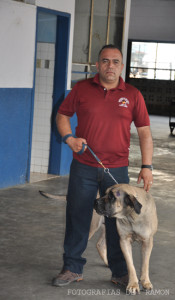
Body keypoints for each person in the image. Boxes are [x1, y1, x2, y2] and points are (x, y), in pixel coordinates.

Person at [52, 44, 153, 287]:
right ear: (97, 65)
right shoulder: (82, 89)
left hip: (116, 170)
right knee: (77, 216)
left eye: (115, 61)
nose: (110, 65)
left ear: (122, 66)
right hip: (83, 166)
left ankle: (120, 272)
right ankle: (72, 268)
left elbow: (145, 132)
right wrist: (69, 139)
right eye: (105, 61)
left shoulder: (132, 95)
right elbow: (62, 116)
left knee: (117, 220)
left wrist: (147, 165)